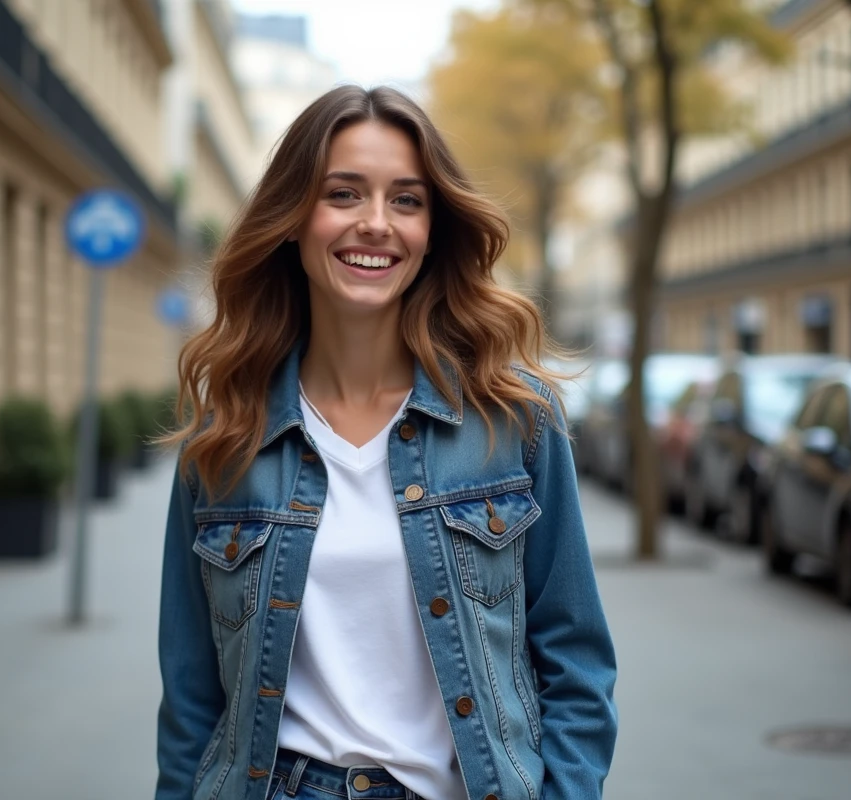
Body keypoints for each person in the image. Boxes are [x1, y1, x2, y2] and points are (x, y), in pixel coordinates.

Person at [156, 85, 617, 800]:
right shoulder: (227, 438)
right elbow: (191, 699)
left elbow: (576, 660)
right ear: (292, 219)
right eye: (343, 194)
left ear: (432, 230)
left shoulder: (514, 420)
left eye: (406, 200)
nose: (375, 223)